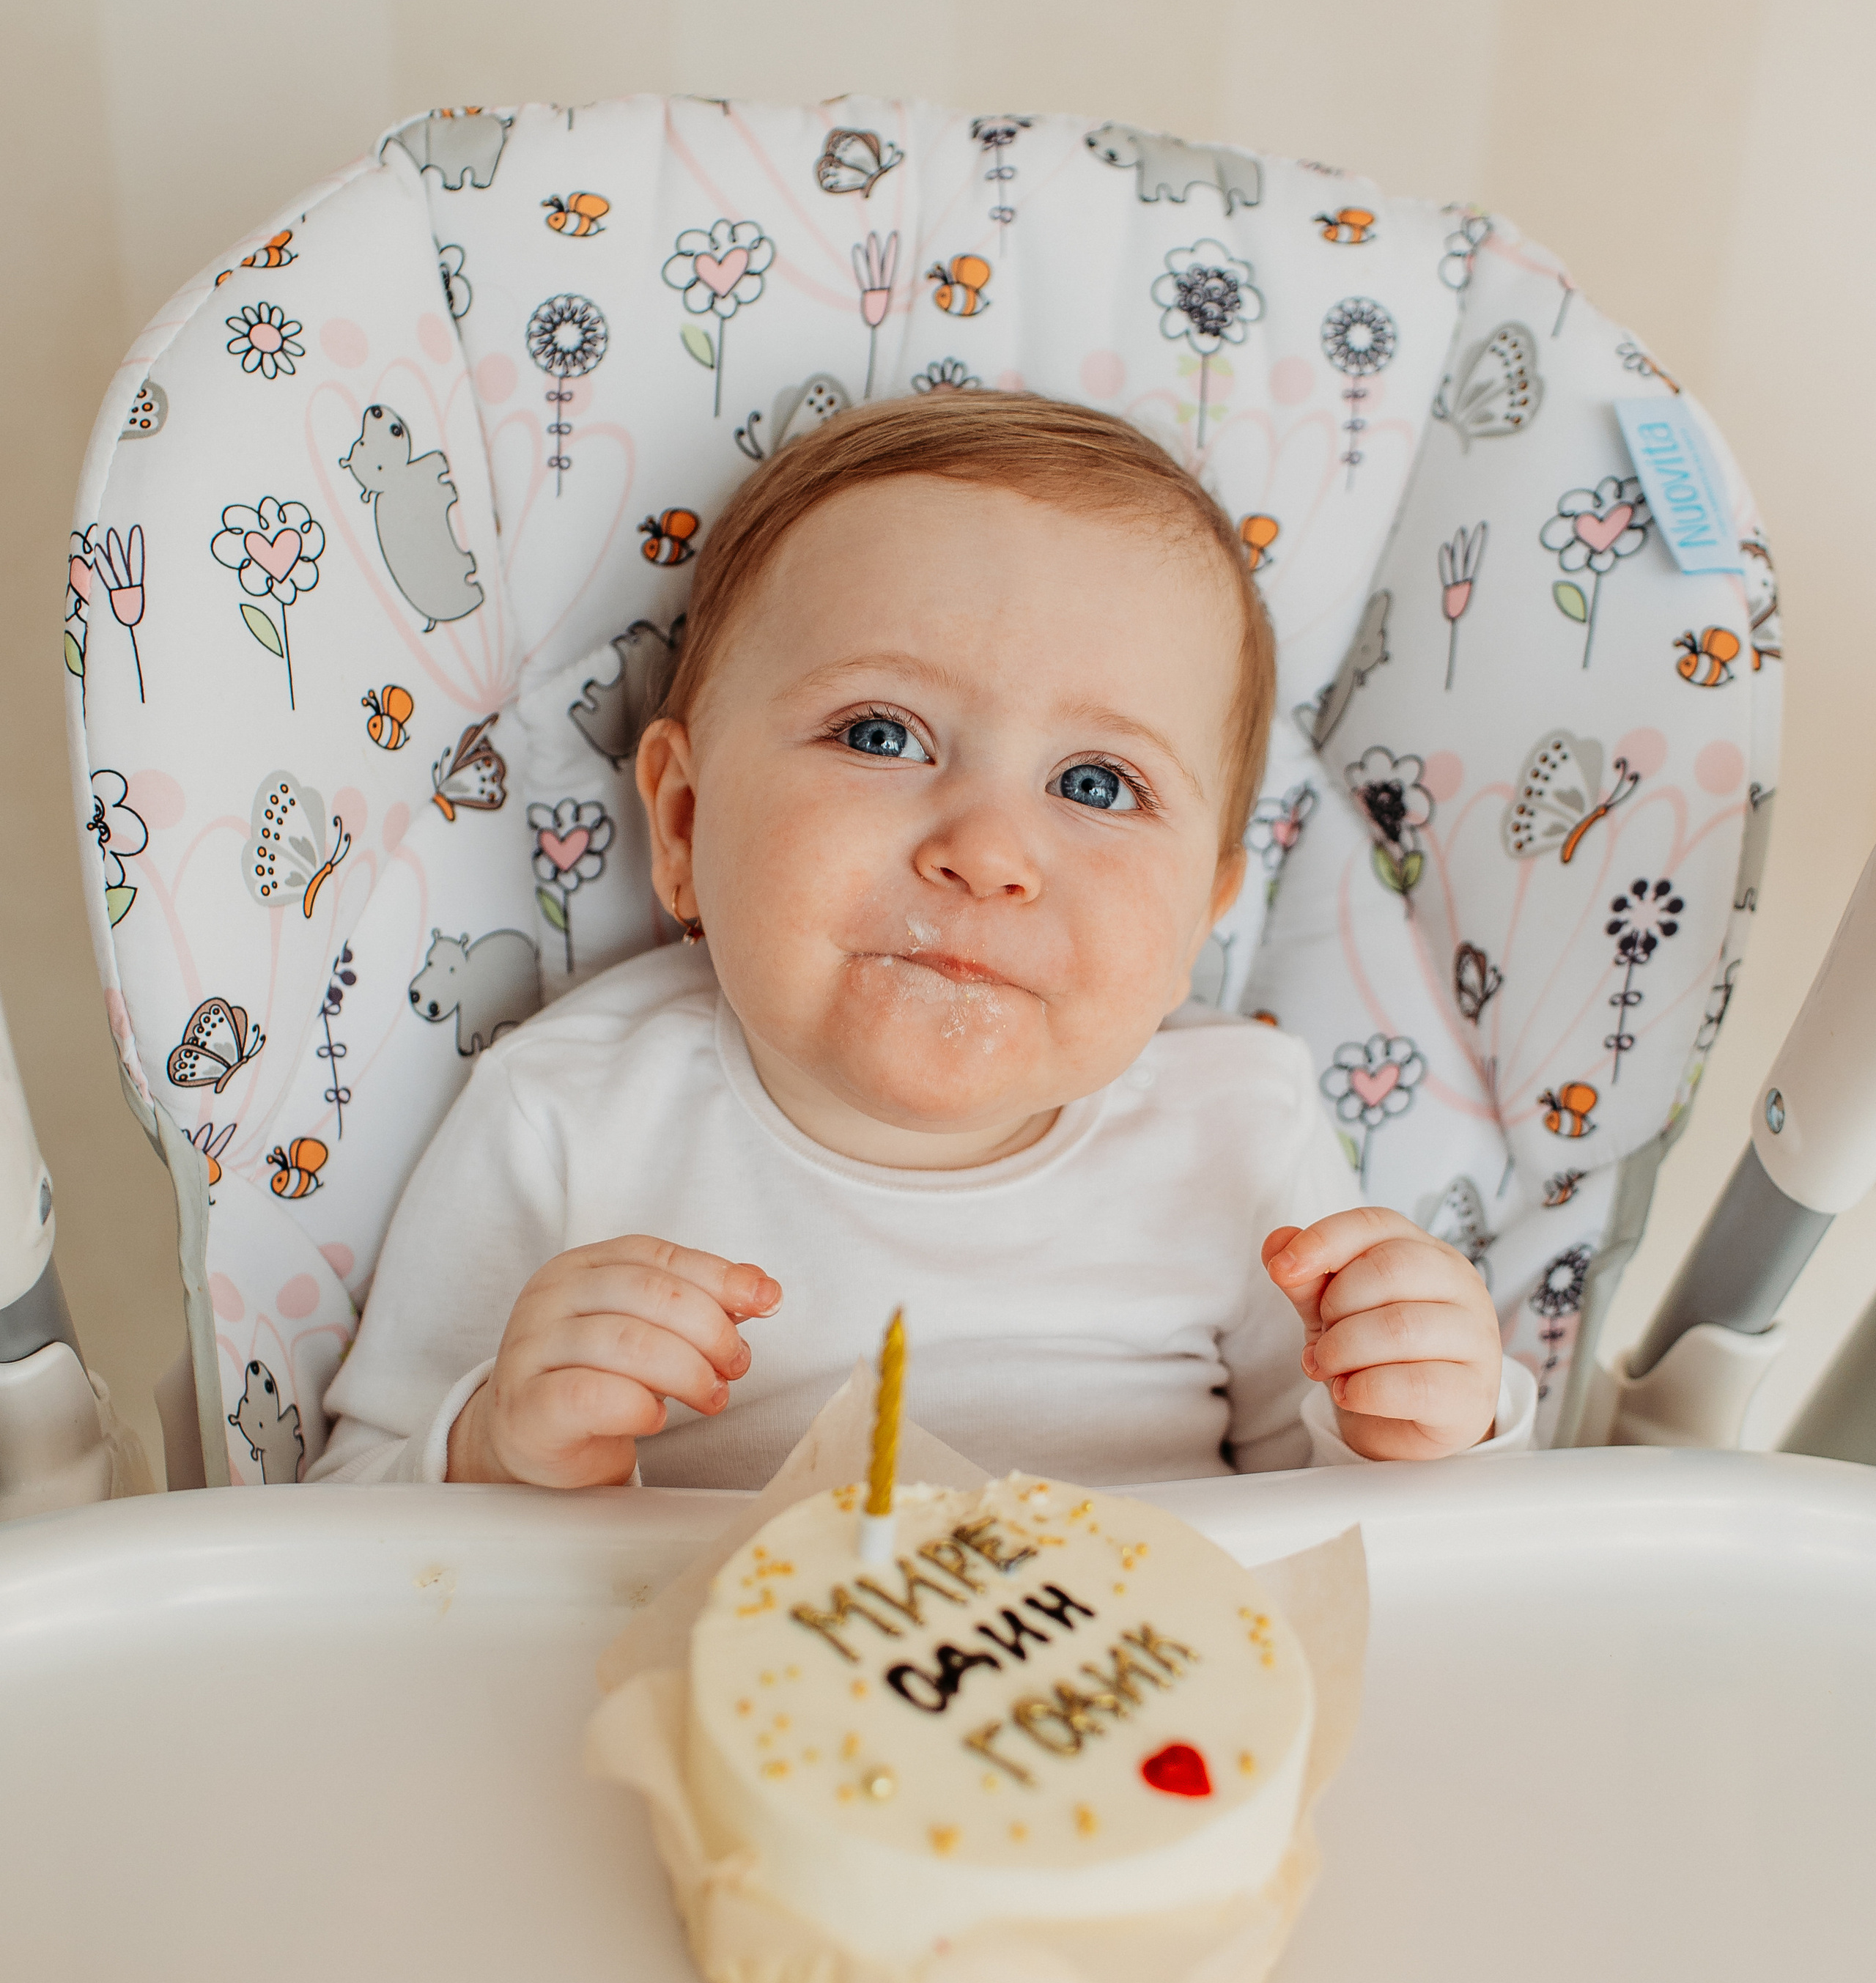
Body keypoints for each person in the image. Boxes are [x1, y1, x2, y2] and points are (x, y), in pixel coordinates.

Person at [313, 393, 1531, 1493]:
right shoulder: (569, 1114)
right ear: (683, 822)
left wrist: (1423, 1424)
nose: (987, 850)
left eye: (1098, 785)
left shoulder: (1243, 1132)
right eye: (882, 735)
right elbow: (337, 1519)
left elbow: (1342, 1534)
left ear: (1200, 922)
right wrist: (496, 1451)